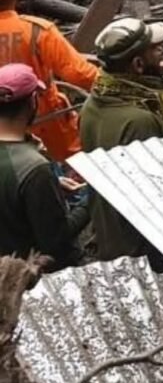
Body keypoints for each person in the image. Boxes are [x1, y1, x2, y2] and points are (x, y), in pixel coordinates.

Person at [80, 17, 163, 263]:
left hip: (110, 235)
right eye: (154, 48)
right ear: (138, 64)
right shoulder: (140, 121)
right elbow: (158, 196)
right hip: (142, 251)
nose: (161, 51)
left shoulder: (94, 102)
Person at [0, 0, 99, 162]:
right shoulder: (37, 30)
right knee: (72, 170)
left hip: (4, 126)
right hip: (44, 119)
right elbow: (78, 74)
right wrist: (117, 84)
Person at [0, 63, 88, 268]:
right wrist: (90, 201)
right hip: (22, 281)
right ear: (32, 102)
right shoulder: (34, 168)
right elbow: (57, 243)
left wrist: (51, 188)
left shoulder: (29, 169)